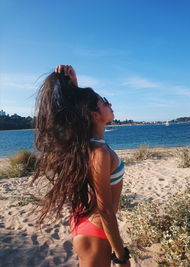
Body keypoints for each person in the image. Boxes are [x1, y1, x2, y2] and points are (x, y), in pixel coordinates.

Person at [32, 65, 131, 267]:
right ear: (94, 115)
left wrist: (72, 84)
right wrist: (121, 257)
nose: (109, 103)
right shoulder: (98, 153)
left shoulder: (89, 142)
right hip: (95, 227)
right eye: (104, 102)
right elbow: (105, 210)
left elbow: (78, 112)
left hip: (84, 218)